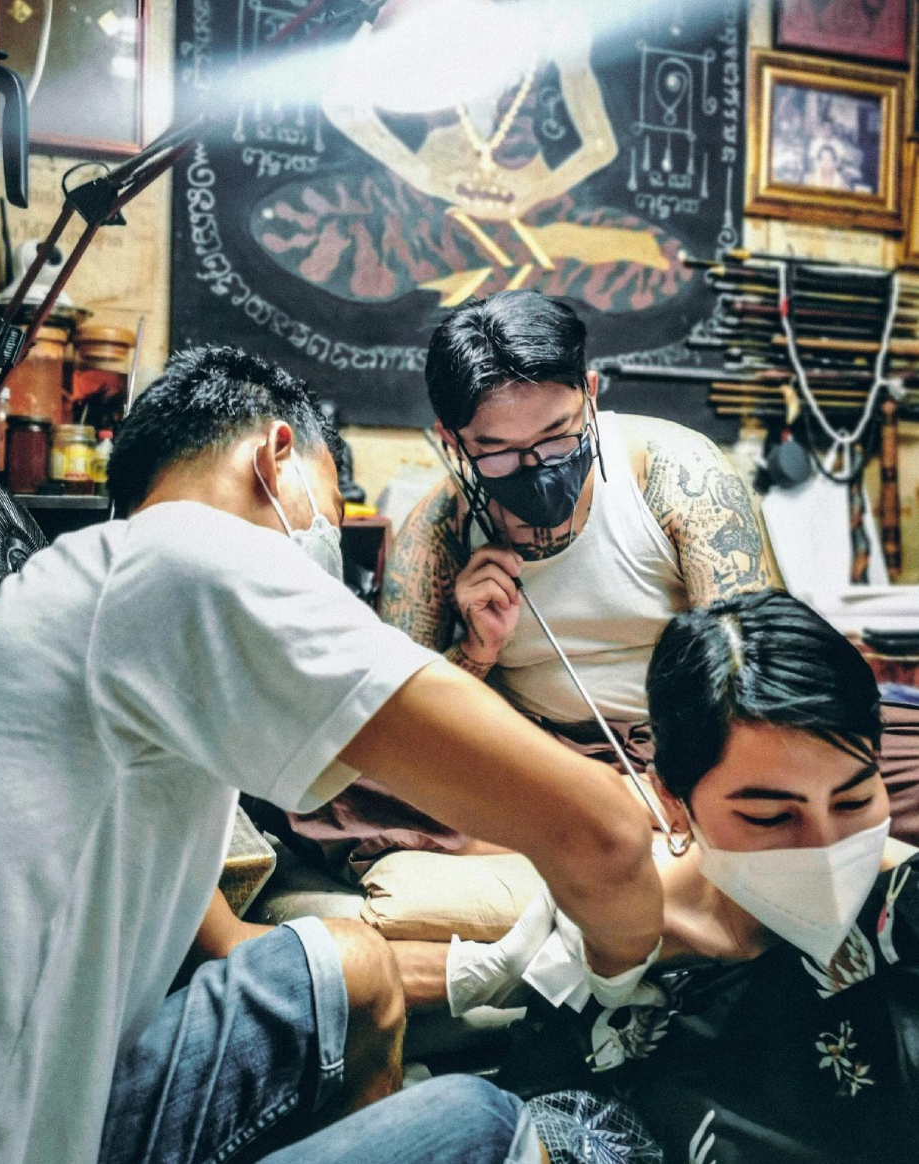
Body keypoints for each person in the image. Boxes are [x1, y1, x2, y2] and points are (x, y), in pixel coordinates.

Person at [0, 345, 661, 1164]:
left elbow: (237, 946)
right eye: (332, 514)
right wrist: (617, 965)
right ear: (275, 454)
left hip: (45, 1099)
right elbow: (599, 831)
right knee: (484, 1124)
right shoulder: (185, 558)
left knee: (341, 965)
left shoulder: (99, 611)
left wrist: (487, 971)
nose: (329, 545)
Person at [266, 288, 782, 876]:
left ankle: (585, 825)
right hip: (535, 760)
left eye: (558, 435)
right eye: (499, 452)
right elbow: (397, 727)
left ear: (590, 395)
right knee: (326, 788)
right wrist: (477, 651)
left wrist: (677, 774)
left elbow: (755, 672)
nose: (536, 465)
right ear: (453, 440)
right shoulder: (438, 529)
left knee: (807, 754)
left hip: (684, 745)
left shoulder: (681, 476)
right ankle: (613, 822)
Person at [427, 591, 919, 1164]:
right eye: (769, 817)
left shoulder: (900, 910)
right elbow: (552, 1111)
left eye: (855, 800)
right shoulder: (625, 945)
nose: (826, 848)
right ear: (673, 802)